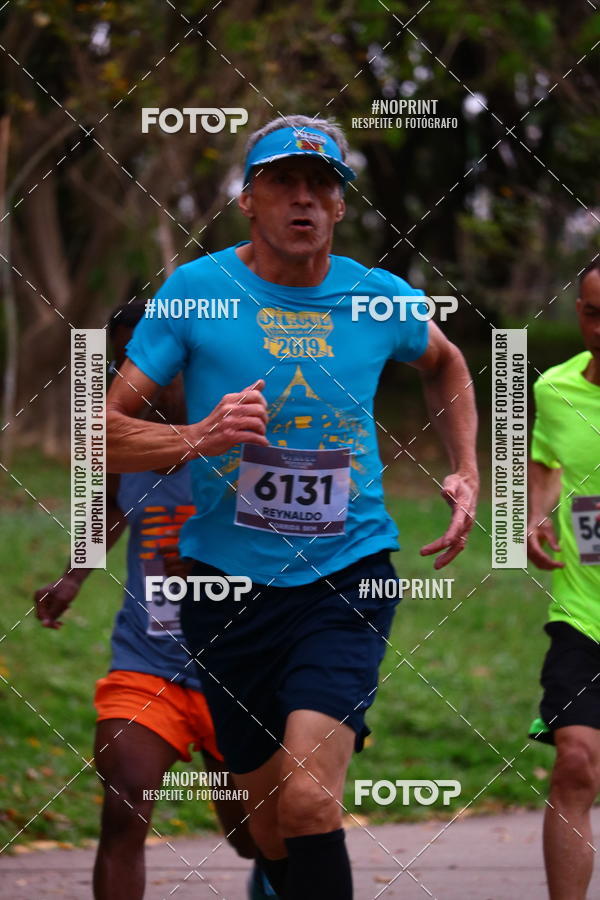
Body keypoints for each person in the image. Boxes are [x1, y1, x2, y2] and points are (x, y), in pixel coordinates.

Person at [106, 115, 479, 899]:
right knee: (264, 826)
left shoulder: (381, 300)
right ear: (249, 198)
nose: (304, 199)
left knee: (311, 801)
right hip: (225, 590)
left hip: (348, 575)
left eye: (322, 186)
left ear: (341, 206)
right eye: (283, 182)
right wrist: (200, 435)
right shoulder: (197, 292)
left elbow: (447, 367)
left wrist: (465, 470)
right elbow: (101, 431)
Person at [34, 300, 276, 900]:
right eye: (124, 359)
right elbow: (111, 510)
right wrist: (72, 577)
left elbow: (292, 545)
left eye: (149, 360)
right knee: (124, 805)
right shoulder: (122, 437)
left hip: (237, 669)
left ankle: (271, 872)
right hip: (149, 663)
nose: (133, 374)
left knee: (254, 835)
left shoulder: (243, 432)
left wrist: (208, 565)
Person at [528, 259, 600, 900]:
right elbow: (546, 465)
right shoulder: (555, 388)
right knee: (575, 763)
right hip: (584, 614)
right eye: (592, 311)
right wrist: (532, 516)